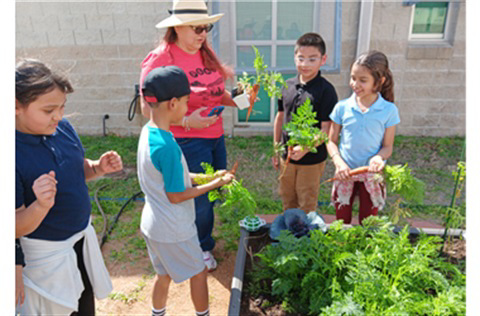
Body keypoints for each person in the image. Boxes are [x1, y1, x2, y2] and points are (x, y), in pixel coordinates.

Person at [139, 0, 242, 271]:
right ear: (177, 28)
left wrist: (243, 100)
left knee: (212, 190)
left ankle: (202, 237)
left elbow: (216, 93)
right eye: (196, 28)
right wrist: (187, 122)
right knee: (198, 195)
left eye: (206, 27)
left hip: (214, 135)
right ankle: (200, 247)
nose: (203, 34)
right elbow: (145, 107)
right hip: (185, 139)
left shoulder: (204, 52)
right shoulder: (161, 59)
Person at [15, 59, 123, 315]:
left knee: (84, 307)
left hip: (79, 244)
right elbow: (14, 225)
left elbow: (75, 167)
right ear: (15, 106)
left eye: (62, 107)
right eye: (49, 110)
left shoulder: (62, 128)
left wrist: (96, 168)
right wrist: (41, 206)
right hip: (45, 262)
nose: (59, 116)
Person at [138, 66, 235, 316]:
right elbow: (176, 195)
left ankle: (156, 313)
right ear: (172, 103)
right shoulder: (167, 146)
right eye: (185, 102)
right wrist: (214, 185)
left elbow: (176, 177)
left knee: (163, 275)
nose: (187, 108)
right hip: (174, 228)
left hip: (152, 223)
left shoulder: (149, 132)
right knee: (199, 272)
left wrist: (209, 175)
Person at [326, 50, 400, 225]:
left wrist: (378, 157)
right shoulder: (342, 107)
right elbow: (331, 141)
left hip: (371, 175)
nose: (355, 84)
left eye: (363, 80)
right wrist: (339, 162)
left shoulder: (389, 111)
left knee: (368, 221)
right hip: (345, 173)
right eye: (353, 78)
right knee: (341, 222)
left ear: (380, 81)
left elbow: (387, 146)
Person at [273, 32, 338, 212]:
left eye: (312, 59)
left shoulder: (326, 91)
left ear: (323, 59)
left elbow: (326, 129)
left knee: (307, 200)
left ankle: (305, 237)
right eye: (301, 58)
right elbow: (280, 117)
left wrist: (306, 148)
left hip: (311, 159)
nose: (305, 64)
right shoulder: (287, 85)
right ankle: (289, 233)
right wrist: (276, 147)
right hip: (286, 156)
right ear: (294, 57)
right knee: (287, 197)